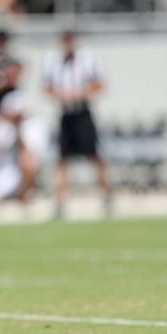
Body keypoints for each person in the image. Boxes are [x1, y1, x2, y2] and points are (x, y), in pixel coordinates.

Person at [43, 30, 112, 218]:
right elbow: (46, 87)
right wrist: (61, 94)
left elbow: (100, 84)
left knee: (94, 155)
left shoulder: (87, 60)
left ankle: (107, 197)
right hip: (66, 114)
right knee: (63, 159)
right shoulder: (54, 62)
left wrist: (80, 93)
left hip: (82, 112)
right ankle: (60, 202)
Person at [0, 90, 49, 214]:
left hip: (22, 173)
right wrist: (1, 120)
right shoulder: (0, 124)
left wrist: (18, 129)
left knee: (29, 163)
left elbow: (31, 155)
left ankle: (26, 194)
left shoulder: (35, 126)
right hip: (4, 171)